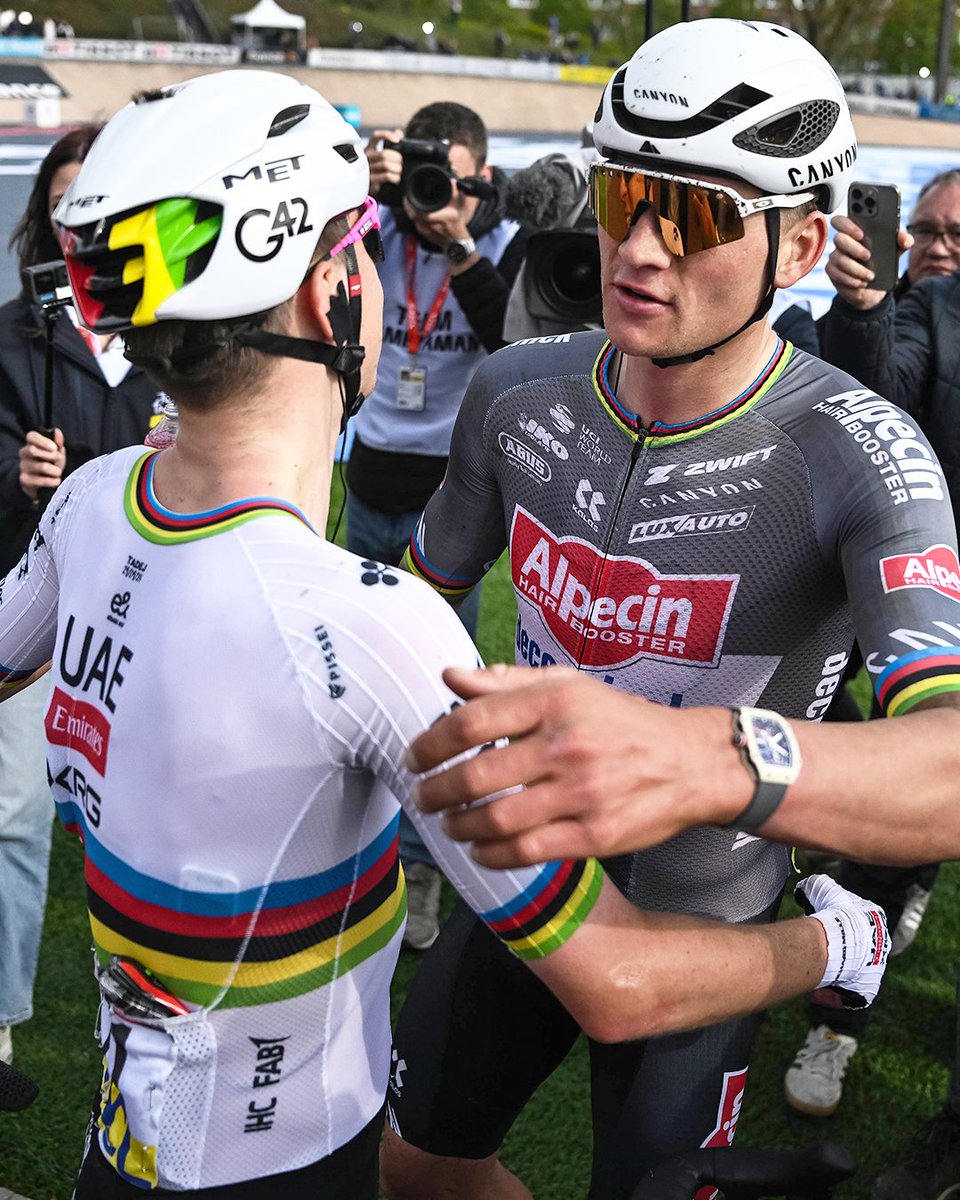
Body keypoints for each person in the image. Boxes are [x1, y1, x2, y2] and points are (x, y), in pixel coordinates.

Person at [0, 68, 883, 1199]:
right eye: (360, 251)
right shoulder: (371, 628)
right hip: (293, 1170)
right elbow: (616, 977)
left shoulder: (91, 499)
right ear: (333, 297)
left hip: (125, 1151)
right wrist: (836, 946)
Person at [381, 20, 960, 1200]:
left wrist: (705, 755)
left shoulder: (861, 453)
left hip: (711, 931)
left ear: (800, 244)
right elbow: (415, 604)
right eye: (622, 194)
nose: (639, 248)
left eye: (694, 217)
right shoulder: (514, 388)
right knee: (413, 1172)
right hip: (522, 884)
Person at [0, 125, 167, 1066]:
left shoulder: (185, 329)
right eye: (66, 202)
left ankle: (161, 1005)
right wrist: (18, 476)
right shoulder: (9, 331)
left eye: (98, 199)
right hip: (30, 593)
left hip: (150, 609)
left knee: (150, 811)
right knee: (17, 811)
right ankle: (3, 1024)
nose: (81, 221)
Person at [345, 101, 527, 949]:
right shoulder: (376, 228)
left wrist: (455, 241)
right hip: (370, 476)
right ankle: (353, 844)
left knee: (436, 692)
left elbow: (515, 340)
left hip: (452, 499)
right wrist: (364, 197)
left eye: (448, 178)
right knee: (349, 669)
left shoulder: (496, 241)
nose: (430, 193)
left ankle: (422, 865)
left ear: (480, 178)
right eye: (421, 173)